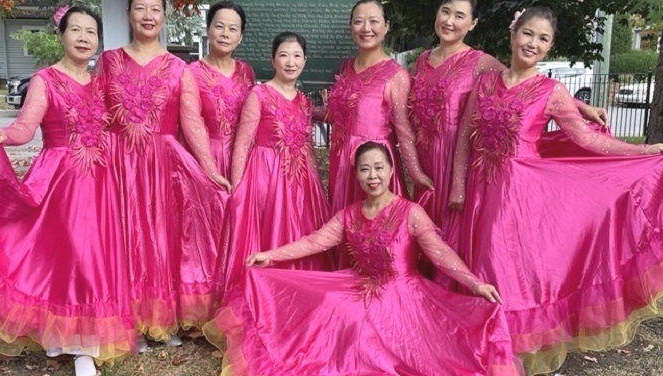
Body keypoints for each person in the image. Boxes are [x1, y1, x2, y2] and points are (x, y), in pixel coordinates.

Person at [448, 6, 663, 375]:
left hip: (522, 198)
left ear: (550, 47)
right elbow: (464, 141)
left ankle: (505, 358)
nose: (532, 43)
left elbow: (585, 139)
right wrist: (457, 187)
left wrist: (644, 150)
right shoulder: (485, 81)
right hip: (479, 194)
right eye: (528, 33)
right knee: (480, 272)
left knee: (505, 274)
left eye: (543, 39)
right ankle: (485, 350)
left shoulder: (551, 91)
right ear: (513, 33)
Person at [0, 6, 137, 376]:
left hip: (103, 183)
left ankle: (76, 339)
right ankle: (77, 346)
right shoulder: (46, 80)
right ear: (62, 35)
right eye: (76, 30)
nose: (84, 38)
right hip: (61, 181)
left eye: (91, 32)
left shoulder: (103, 84)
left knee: (94, 260)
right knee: (70, 260)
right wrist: (1, 136)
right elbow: (25, 128)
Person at [204, 141, 522, 375]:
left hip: (404, 295)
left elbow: (441, 255)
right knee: (332, 306)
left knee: (372, 329)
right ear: (357, 174)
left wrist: (476, 284)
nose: (373, 175)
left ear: (391, 170)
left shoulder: (410, 212)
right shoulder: (349, 215)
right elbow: (314, 242)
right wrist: (269, 256)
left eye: (379, 167)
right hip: (357, 286)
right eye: (365, 169)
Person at [409, 0, 607, 243]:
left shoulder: (480, 62)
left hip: (457, 158)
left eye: (459, 16)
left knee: (451, 236)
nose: (449, 21)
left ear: (472, 24)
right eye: (445, 12)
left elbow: (524, 83)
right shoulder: (422, 60)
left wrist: (582, 107)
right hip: (425, 159)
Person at [96, 0, 230, 340]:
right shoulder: (108, 62)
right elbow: (96, 115)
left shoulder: (179, 68)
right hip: (118, 164)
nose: (147, 16)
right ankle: (125, 320)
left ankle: (161, 316)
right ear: (128, 14)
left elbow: (192, 122)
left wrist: (211, 169)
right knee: (123, 237)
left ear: (164, 16)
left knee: (162, 238)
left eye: (155, 9)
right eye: (140, 8)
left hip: (164, 166)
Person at [315, 0, 434, 269]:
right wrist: (303, 109)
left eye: (373, 21)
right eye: (358, 21)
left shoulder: (396, 75)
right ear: (350, 27)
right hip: (343, 162)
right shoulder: (346, 68)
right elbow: (339, 117)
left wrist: (415, 173)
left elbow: (403, 131)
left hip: (373, 163)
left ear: (386, 26)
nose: (365, 28)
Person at [221, 32, 332, 296]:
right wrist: (238, 189)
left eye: (297, 56)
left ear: (305, 60)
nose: (290, 62)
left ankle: (296, 295)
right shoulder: (258, 95)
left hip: (300, 181)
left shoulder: (305, 102)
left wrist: (315, 185)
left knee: (300, 236)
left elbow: (306, 145)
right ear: (273, 60)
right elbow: (243, 143)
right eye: (284, 55)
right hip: (266, 177)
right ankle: (268, 297)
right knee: (270, 233)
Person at [188, 0, 255, 179]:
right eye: (219, 26)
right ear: (208, 29)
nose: (225, 34)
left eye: (233, 29)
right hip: (206, 158)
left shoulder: (246, 71)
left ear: (240, 37)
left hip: (246, 159)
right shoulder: (191, 73)